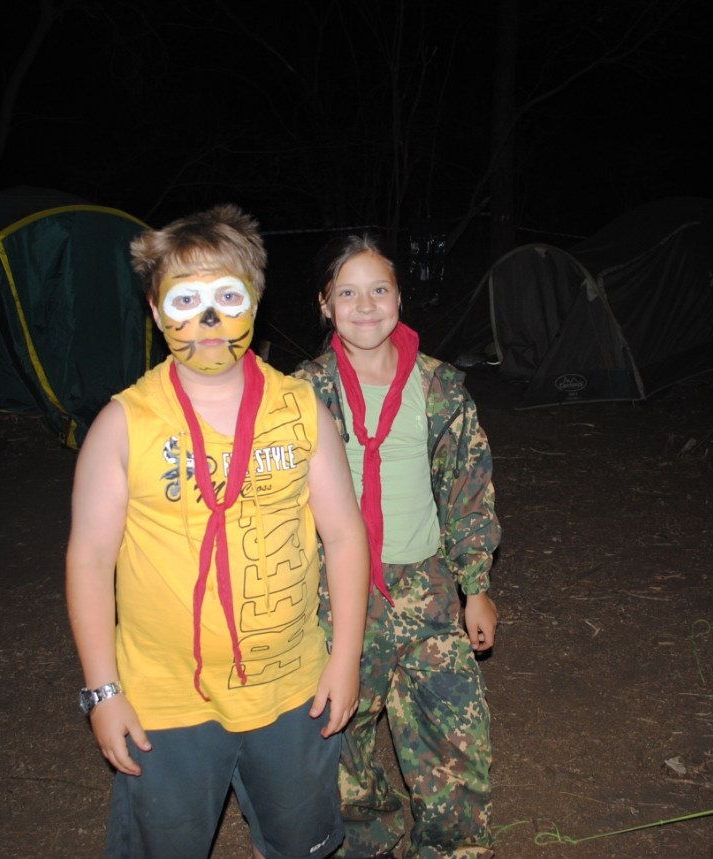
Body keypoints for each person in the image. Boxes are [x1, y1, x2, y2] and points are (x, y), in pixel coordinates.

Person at [65, 204, 370, 859]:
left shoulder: (300, 410)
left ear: (255, 300)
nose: (208, 320)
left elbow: (345, 535)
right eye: (186, 300)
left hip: (291, 692)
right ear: (155, 311)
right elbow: (89, 559)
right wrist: (103, 692)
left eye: (227, 297)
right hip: (166, 702)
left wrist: (345, 657)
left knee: (301, 844)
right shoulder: (124, 426)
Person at [294, 234, 502, 858]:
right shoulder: (301, 393)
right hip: (335, 594)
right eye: (348, 292)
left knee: (455, 739)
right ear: (325, 304)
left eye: (379, 289)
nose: (366, 305)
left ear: (400, 297)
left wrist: (476, 586)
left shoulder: (439, 387)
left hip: (427, 589)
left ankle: (451, 849)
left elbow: (467, 486)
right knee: (339, 745)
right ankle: (366, 845)